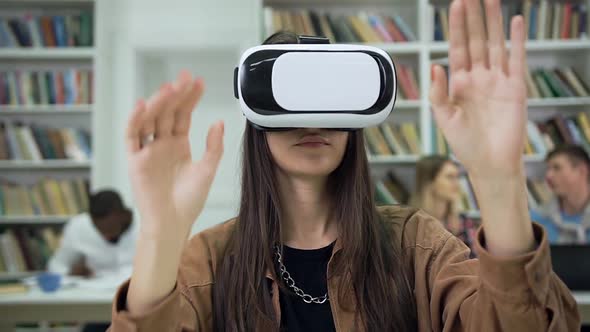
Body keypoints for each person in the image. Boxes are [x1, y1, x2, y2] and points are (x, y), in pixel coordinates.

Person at [109, 0, 580, 330]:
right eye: (294, 97)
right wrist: (159, 237)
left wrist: (499, 183)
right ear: (258, 116)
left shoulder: (416, 244)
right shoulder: (208, 260)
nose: (313, 119)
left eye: (328, 98)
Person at [48, 190, 137, 278]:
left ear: (123, 215)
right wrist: (70, 272)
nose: (106, 236)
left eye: (111, 228)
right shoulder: (79, 226)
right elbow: (56, 265)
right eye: (99, 229)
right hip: (96, 287)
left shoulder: (147, 222)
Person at [410, 155, 480, 254]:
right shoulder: (412, 225)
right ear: (430, 182)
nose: (457, 184)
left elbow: (475, 262)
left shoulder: (464, 223)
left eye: (457, 177)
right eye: (450, 177)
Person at [530, 144, 590, 244]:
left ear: (582, 170)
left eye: (557, 168)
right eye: (548, 169)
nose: (548, 176)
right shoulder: (535, 221)